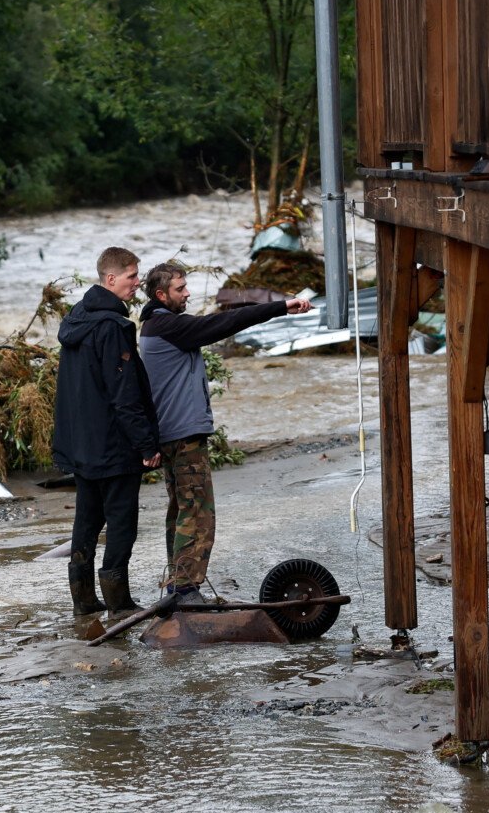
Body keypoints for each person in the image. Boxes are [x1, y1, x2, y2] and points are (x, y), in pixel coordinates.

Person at [138, 261, 310, 600]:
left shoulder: (154, 325)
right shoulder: (166, 325)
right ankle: (185, 589)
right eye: (180, 289)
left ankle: (177, 584)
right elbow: (224, 322)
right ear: (161, 295)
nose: (187, 293)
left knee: (182, 508)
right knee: (198, 510)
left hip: (172, 433)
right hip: (183, 435)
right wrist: (279, 308)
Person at [51, 247, 160, 617]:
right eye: (131, 276)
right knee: (121, 523)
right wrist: (146, 444)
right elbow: (123, 394)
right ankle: (118, 599)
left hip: (82, 445)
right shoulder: (113, 327)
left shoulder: (76, 318)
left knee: (86, 520)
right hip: (114, 447)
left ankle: (82, 598)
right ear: (110, 279)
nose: (137, 283)